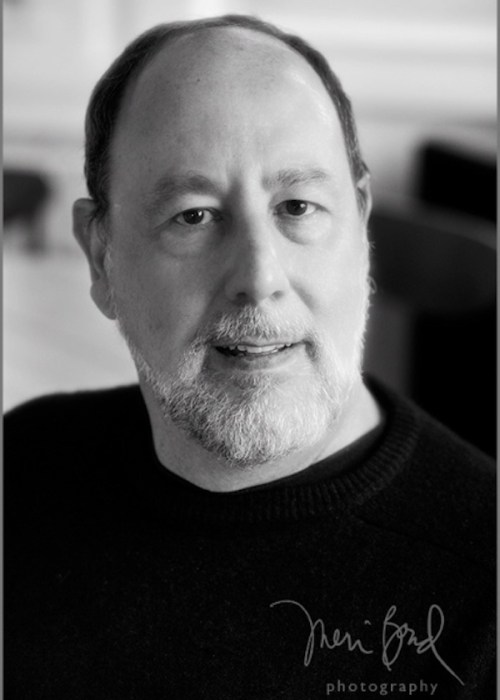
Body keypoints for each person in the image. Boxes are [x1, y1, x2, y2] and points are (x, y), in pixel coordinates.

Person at [5, 15, 495, 700]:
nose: (260, 277)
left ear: (359, 227)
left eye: (298, 206)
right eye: (194, 215)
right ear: (100, 255)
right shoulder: (20, 475)